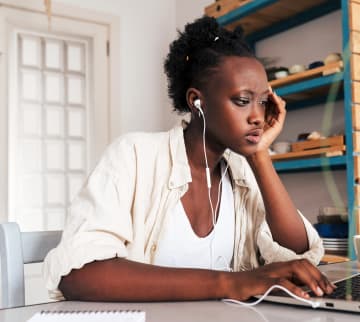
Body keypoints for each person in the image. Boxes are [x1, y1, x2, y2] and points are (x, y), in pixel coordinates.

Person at [43, 16, 335, 302]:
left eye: (262, 102)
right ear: (197, 101)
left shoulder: (241, 172)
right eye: (243, 101)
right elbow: (80, 274)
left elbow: (297, 255)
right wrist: (232, 282)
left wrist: (260, 156)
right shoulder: (133, 155)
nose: (257, 116)